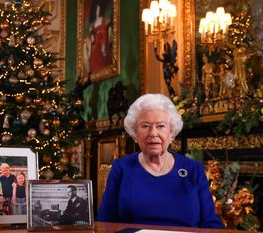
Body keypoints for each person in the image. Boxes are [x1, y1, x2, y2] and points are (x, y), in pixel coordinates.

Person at [97, 94, 223, 228]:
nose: (153, 133)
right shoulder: (121, 168)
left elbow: (211, 223)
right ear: (135, 132)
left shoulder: (193, 169)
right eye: (145, 126)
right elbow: (104, 221)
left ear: (171, 131)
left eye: (161, 126)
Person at [88, 2, 112, 73]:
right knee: (94, 50)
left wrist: (103, 44)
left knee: (96, 50)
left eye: (98, 10)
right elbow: (91, 35)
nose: (97, 11)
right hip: (95, 41)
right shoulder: (94, 23)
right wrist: (92, 35)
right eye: (96, 10)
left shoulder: (102, 20)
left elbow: (104, 31)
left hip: (101, 41)